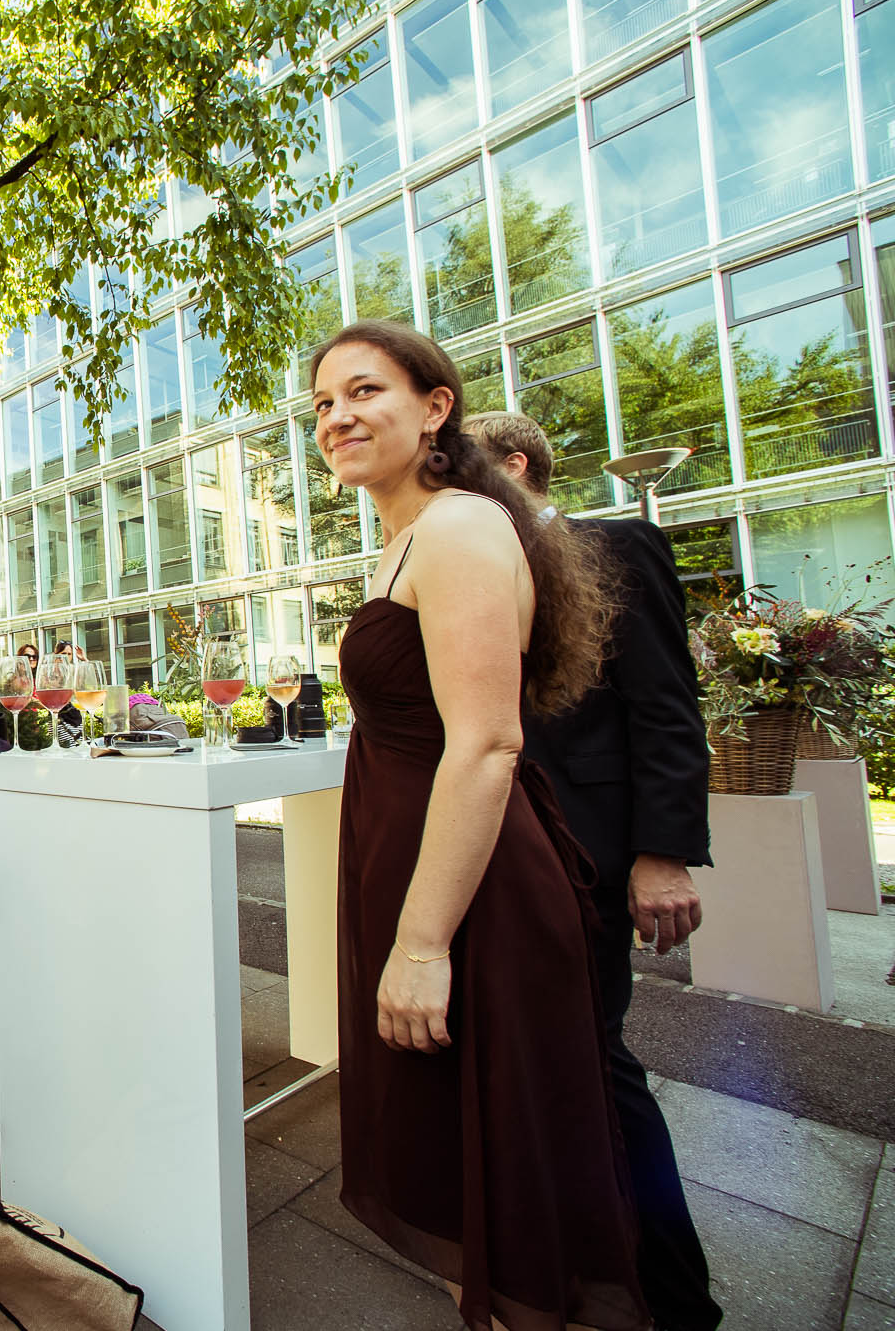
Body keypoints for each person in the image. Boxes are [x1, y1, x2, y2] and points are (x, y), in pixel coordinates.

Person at [309, 321, 646, 1331]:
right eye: (323, 404)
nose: (338, 418)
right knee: (463, 1162)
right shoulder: (407, 534)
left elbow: (488, 744)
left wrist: (420, 943)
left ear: (434, 408)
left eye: (364, 392)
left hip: (470, 897)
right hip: (420, 868)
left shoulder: (455, 528)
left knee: (502, 1173)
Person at [466, 411, 721, 1331]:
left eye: (466, 467)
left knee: (599, 1060)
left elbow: (666, 706)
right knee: (544, 1062)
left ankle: (674, 1297)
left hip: (596, 848)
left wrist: (660, 853)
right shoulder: (477, 563)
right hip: (505, 851)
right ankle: (567, 1264)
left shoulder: (616, 546)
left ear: (517, 464)